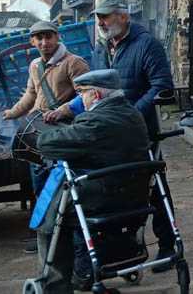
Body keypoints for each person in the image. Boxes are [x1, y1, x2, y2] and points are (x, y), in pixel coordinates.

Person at [46, 0, 177, 272]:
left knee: (153, 187)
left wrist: (132, 114)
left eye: (105, 17)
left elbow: (162, 86)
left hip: (139, 130)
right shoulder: (102, 48)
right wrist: (67, 109)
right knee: (113, 188)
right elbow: (94, 88)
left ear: (124, 16)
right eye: (98, 17)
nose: (101, 22)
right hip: (108, 130)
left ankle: (168, 244)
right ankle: (118, 249)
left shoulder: (146, 45)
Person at [34, 69, 150, 294]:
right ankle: (83, 271)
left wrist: (44, 135)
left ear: (95, 95)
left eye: (82, 94)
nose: (81, 99)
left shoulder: (96, 121)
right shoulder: (133, 114)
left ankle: (55, 285)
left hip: (104, 197)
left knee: (50, 218)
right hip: (136, 194)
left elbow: (49, 144)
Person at [1, 20, 89, 254]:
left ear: (57, 37)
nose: (44, 42)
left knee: (64, 189)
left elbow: (88, 95)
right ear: (32, 41)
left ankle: (69, 239)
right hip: (39, 136)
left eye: (48, 37)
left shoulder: (74, 63)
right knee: (41, 189)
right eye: (38, 38)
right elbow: (31, 95)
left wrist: (63, 110)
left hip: (63, 134)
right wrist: (12, 113)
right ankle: (46, 237)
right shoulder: (34, 65)